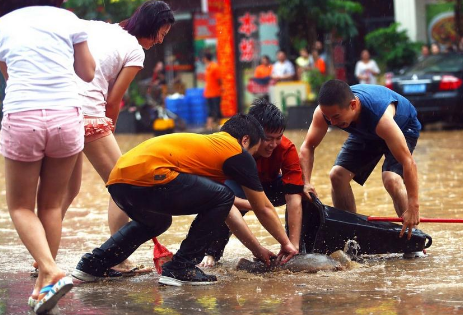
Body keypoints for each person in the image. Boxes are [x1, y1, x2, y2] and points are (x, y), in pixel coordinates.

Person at [71, 114, 298, 286]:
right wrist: (286, 244)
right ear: (246, 140)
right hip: (150, 176)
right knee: (223, 196)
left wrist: (258, 249)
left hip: (120, 182)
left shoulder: (206, 147)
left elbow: (225, 204)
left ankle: (92, 265)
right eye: (253, 152)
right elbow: (263, 207)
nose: (252, 159)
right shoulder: (235, 150)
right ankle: (181, 267)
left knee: (158, 222)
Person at [64, 0, 175, 275]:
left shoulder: (98, 28)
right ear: (149, 27)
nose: (160, 41)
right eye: (161, 33)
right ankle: (117, 258)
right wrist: (108, 129)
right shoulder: (135, 51)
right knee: (123, 183)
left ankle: (41, 259)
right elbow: (114, 101)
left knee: (65, 192)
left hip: (59, 111)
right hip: (88, 114)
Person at [0, 0, 95, 313]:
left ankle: (51, 271)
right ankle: (43, 284)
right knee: (52, 204)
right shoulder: (68, 19)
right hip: (66, 116)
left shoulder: (3, 24)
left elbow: (10, 76)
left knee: (20, 206)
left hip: (24, 115)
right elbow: (87, 72)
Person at [299, 80, 422, 251]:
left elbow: (409, 162)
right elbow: (307, 146)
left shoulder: (381, 118)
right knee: (337, 175)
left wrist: (413, 206)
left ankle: (414, 240)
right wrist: (306, 182)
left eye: (336, 117)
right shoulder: (325, 113)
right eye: (328, 118)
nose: (332, 124)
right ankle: (350, 237)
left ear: (353, 105)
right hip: (366, 133)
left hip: (402, 127)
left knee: (391, 180)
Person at [200, 98, 305, 267]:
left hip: (268, 185)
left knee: (304, 196)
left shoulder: (286, 148)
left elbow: (293, 197)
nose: (273, 144)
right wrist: (253, 205)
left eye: (278, 138)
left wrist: (292, 244)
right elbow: (214, 194)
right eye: (268, 139)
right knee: (221, 203)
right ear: (252, 134)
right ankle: (212, 252)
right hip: (238, 188)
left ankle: (299, 249)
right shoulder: (234, 146)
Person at [202, 52, 222, 131]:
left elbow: (219, 79)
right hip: (209, 93)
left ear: (206, 58)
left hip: (215, 92)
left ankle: (219, 125)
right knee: (210, 109)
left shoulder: (215, 67)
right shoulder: (207, 67)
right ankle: (210, 125)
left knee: (216, 109)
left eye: (203, 58)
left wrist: (219, 87)